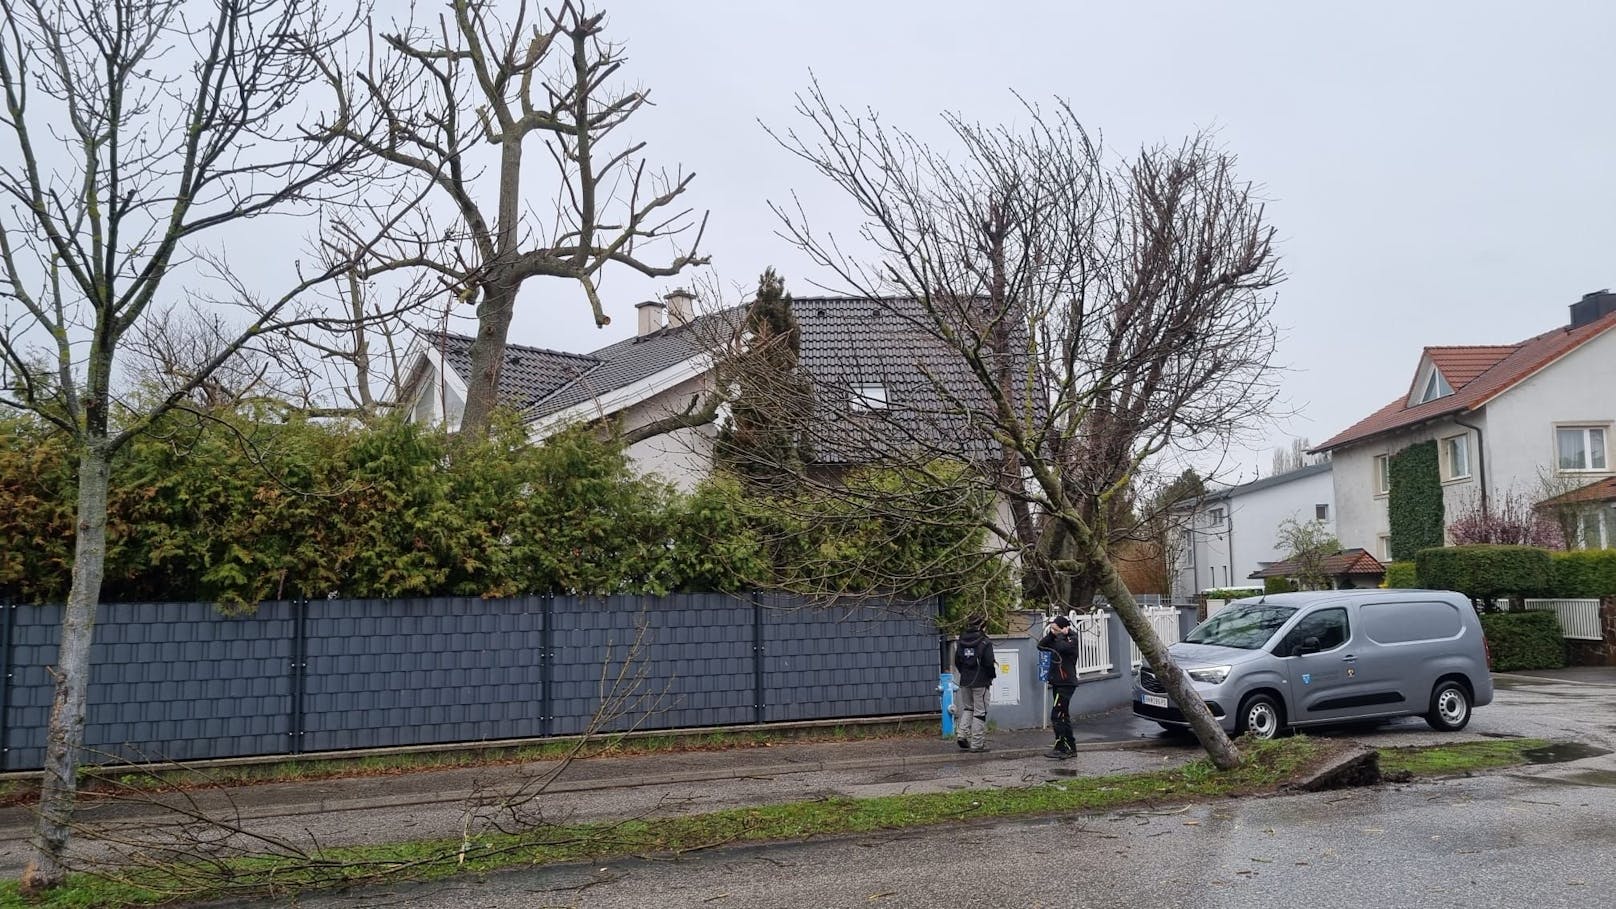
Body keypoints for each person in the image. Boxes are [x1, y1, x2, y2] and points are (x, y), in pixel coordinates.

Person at [1037, 614, 1080, 759]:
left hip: (1066, 683)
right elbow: (1041, 646)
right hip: (1058, 682)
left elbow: (1061, 648)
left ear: (1064, 628)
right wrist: (1051, 634)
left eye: (1056, 628)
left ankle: (1063, 747)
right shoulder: (1056, 639)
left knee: (1057, 715)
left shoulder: (1071, 640)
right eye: (1052, 628)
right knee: (1063, 715)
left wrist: (1061, 634)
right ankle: (1067, 747)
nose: (1053, 631)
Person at [952, 616, 997, 753]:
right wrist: (991, 675)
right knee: (980, 711)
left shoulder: (961, 641)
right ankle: (977, 743)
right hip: (981, 681)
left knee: (968, 708)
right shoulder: (985, 642)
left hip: (965, 680)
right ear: (982, 626)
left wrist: (965, 673)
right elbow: (989, 663)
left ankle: (962, 735)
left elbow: (957, 661)